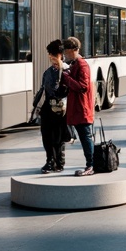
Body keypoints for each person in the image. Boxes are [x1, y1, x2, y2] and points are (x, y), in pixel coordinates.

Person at [61, 36, 97, 177]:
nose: (66, 54)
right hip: (78, 107)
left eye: (68, 52)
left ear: (75, 50)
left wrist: (66, 77)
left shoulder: (82, 65)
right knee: (84, 136)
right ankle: (90, 164)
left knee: (85, 136)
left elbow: (82, 86)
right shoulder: (75, 64)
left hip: (82, 107)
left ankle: (91, 165)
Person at [34, 39, 72, 173]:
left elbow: (64, 89)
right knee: (46, 134)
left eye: (53, 54)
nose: (51, 57)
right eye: (50, 54)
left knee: (59, 136)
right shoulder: (47, 71)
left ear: (60, 54)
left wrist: (60, 69)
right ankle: (49, 160)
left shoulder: (67, 70)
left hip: (62, 108)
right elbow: (44, 89)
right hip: (48, 106)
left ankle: (59, 162)